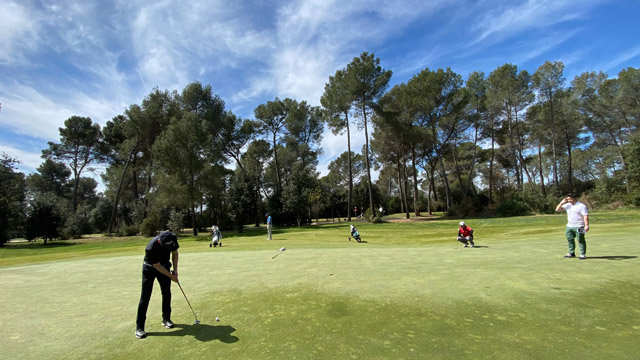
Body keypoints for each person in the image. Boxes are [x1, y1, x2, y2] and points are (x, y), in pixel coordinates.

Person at [136, 231, 180, 339]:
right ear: (160, 241)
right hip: (150, 268)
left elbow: (175, 253)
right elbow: (157, 266)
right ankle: (139, 328)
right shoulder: (151, 247)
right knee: (145, 297)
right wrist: (171, 276)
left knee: (166, 293)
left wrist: (175, 270)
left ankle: (166, 319)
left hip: (164, 265)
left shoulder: (172, 238)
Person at [555, 193, 589, 259]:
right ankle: (571, 253)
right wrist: (561, 203)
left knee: (581, 240)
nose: (570, 200)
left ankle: (582, 254)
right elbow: (557, 210)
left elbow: (585, 216)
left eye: (571, 199)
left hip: (579, 226)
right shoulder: (568, 205)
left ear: (576, 198)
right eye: (568, 199)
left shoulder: (581, 206)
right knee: (570, 240)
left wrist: (586, 225)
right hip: (569, 226)